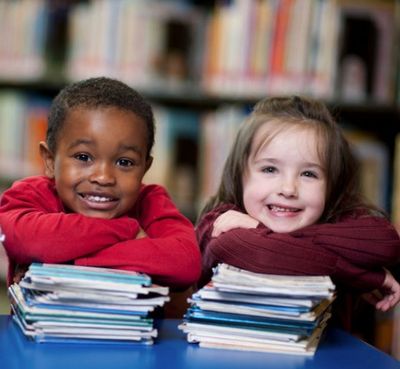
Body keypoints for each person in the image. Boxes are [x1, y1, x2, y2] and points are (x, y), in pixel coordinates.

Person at [196, 95, 400, 329]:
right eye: (270, 169)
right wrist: (359, 274)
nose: (288, 189)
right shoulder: (219, 221)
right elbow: (261, 254)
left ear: (332, 185)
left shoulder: (332, 216)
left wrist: (259, 230)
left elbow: (386, 243)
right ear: (240, 175)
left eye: (308, 174)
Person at [0, 77, 201, 290]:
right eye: (83, 157)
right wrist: (126, 230)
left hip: (128, 324)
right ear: (50, 160)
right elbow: (25, 240)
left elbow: (185, 262)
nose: (103, 177)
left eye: (125, 162)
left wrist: (62, 261)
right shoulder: (29, 194)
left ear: (145, 168)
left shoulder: (150, 201)